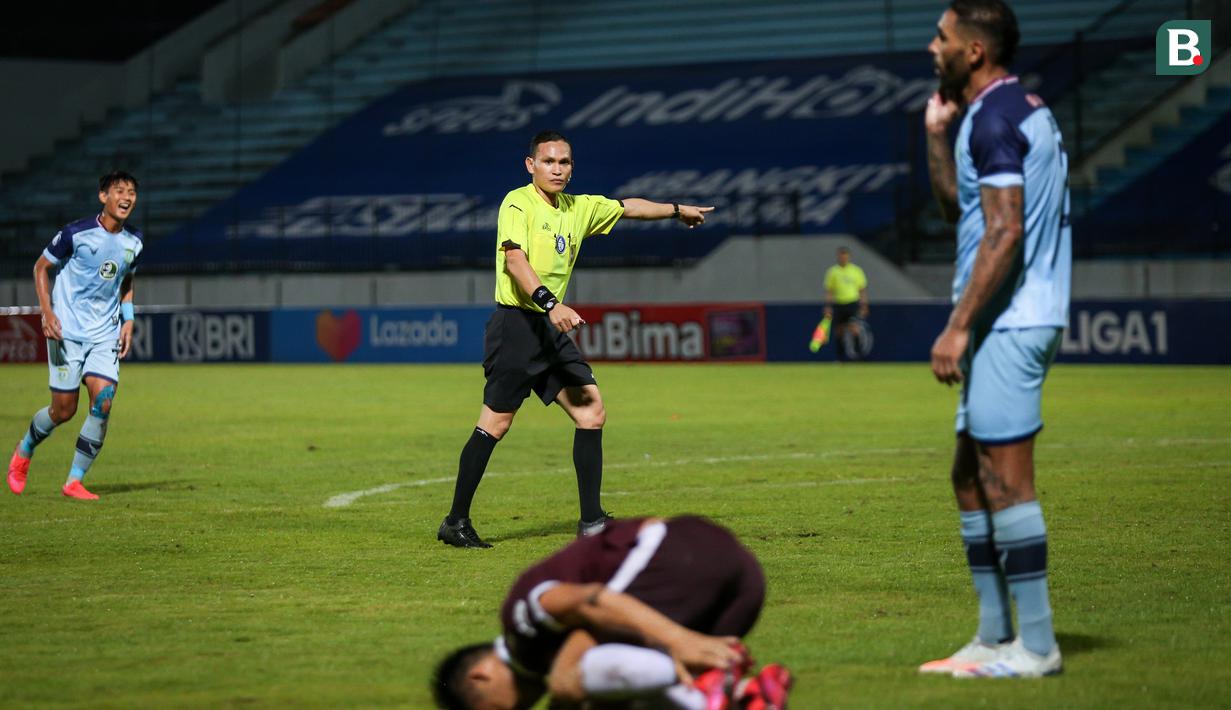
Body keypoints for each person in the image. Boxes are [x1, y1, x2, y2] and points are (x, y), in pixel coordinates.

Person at [437, 130, 714, 548]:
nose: (558, 169)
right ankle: (455, 522)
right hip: (517, 326)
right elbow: (515, 261)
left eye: (564, 162)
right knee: (495, 423)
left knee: (591, 412)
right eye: (548, 161)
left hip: (549, 329)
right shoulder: (518, 202)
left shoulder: (578, 208)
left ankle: (592, 522)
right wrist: (552, 303)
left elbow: (628, 208)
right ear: (531, 165)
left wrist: (677, 210)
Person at [920, 0, 1070, 678]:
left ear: (973, 51)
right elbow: (966, 212)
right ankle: (991, 634)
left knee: (1004, 480)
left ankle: (1035, 647)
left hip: (1010, 320)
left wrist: (955, 326)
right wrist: (933, 137)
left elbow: (1005, 230)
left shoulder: (997, 119)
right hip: (1000, 321)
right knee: (966, 475)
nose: (932, 46)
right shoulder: (1001, 113)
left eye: (942, 37)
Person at [431, 515, 792, 709]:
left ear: (481, 676)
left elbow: (591, 600)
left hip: (676, 550)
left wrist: (678, 641)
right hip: (742, 588)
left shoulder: (519, 626)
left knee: (566, 680)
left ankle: (709, 691)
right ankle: (744, 695)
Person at [8, 171, 143, 500]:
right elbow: (41, 267)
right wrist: (47, 312)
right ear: (103, 196)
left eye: (132, 192)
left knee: (104, 401)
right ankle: (25, 449)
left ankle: (74, 480)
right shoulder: (76, 233)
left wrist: (128, 319)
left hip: (104, 334)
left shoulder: (134, 241)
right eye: (119, 191)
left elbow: (125, 280)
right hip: (67, 332)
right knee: (63, 411)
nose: (126, 197)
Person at [814, 247, 869, 360]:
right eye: (841, 256)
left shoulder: (856, 271)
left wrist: (864, 305)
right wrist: (828, 306)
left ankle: (859, 358)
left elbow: (862, 289)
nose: (843, 258)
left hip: (852, 303)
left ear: (849, 257)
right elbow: (829, 291)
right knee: (839, 331)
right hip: (838, 304)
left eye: (845, 256)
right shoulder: (833, 272)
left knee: (854, 328)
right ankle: (840, 359)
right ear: (838, 257)